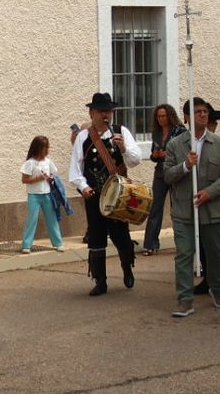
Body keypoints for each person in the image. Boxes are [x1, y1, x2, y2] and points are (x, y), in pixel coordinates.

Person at [162, 98, 220, 317]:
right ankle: (185, 298)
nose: (203, 115)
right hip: (184, 211)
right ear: (186, 117)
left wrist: (210, 192)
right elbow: (167, 175)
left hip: (212, 211)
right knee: (184, 254)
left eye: (205, 111)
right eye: (197, 112)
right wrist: (185, 165)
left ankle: (217, 288)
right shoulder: (176, 145)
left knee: (214, 253)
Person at [68, 93, 141, 296]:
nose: (105, 115)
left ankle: (127, 268)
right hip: (95, 195)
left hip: (118, 195)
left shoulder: (121, 132)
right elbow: (75, 169)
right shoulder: (83, 137)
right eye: (101, 111)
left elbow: (135, 160)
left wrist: (124, 148)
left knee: (121, 237)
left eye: (108, 111)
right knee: (96, 237)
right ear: (92, 113)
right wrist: (83, 187)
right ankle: (100, 281)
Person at [141, 104, 184, 256]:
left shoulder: (179, 131)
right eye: (158, 116)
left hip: (175, 172)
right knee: (155, 208)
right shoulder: (157, 133)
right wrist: (156, 155)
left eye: (163, 116)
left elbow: (184, 152)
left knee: (177, 208)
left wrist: (170, 155)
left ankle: (182, 243)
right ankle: (150, 243)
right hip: (160, 172)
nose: (160, 119)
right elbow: (153, 155)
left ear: (170, 116)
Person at [20, 136, 63, 253]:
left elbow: (54, 175)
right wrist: (39, 178)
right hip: (34, 195)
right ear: (38, 148)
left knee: (52, 219)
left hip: (47, 194)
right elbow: (24, 180)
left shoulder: (48, 162)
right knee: (32, 219)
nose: (47, 150)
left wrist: (50, 178)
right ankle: (26, 245)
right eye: (45, 148)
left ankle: (58, 243)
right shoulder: (30, 163)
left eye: (48, 147)